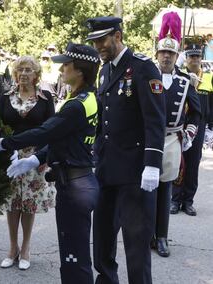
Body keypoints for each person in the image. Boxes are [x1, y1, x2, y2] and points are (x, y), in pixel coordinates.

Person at [0, 44, 100, 283]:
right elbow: (63, 138)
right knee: (73, 252)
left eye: (66, 65)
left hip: (74, 182)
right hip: (78, 177)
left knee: (74, 254)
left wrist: (6, 144)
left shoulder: (75, 105)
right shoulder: (86, 98)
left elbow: (46, 131)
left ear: (80, 71)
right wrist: (36, 158)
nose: (62, 69)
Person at [86, 16, 166, 284]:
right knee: (103, 243)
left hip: (135, 174)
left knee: (136, 247)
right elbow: (104, 120)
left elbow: (156, 120)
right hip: (107, 170)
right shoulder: (105, 70)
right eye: (94, 42)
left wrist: (153, 164)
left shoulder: (143, 68)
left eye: (101, 40)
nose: (98, 46)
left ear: (118, 36)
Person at [0, 55, 55, 271]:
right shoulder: (5, 97)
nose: (23, 73)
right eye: (20, 69)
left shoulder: (46, 98)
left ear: (36, 75)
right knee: (12, 203)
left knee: (28, 203)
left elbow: (52, 128)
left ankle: (26, 247)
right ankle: (12, 248)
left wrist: (42, 156)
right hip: (10, 156)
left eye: (28, 70)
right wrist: (4, 152)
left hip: (34, 157)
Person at [153, 24, 201, 257]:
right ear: (157, 54)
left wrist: (189, 132)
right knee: (144, 187)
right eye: (163, 52)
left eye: (171, 53)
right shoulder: (146, 76)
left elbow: (197, 112)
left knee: (164, 188)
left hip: (172, 138)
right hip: (147, 138)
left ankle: (161, 236)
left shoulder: (185, 82)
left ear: (176, 56)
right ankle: (145, 233)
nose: (166, 57)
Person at [172, 44, 213, 216]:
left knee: (193, 163)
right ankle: (174, 200)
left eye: (197, 57)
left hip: (199, 126)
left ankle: (188, 201)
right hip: (180, 125)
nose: (194, 60)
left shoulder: (209, 77)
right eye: (191, 57)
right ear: (186, 58)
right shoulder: (180, 76)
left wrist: (211, 126)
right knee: (178, 162)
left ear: (200, 58)